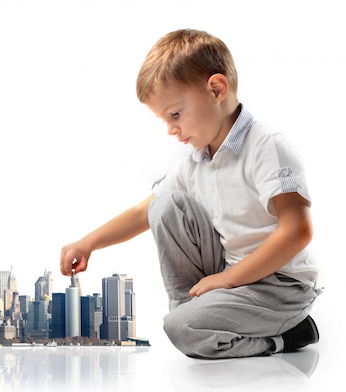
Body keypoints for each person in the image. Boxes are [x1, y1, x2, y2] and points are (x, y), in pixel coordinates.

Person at [59, 28, 321, 359]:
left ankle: (288, 335)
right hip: (233, 273)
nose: (170, 129)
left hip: (280, 287)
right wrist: (87, 243)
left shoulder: (267, 146)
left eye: (175, 114)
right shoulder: (196, 160)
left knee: (180, 329)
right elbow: (145, 212)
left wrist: (227, 280)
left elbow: (297, 231)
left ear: (216, 89)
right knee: (165, 205)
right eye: (164, 120)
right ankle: (194, 314)